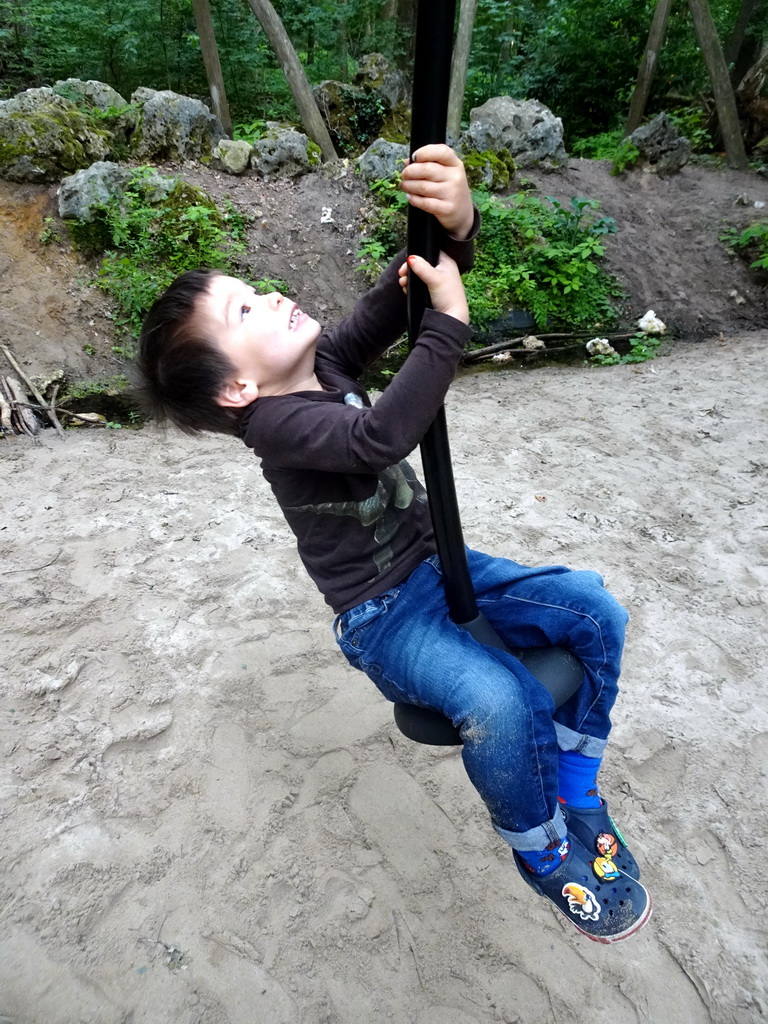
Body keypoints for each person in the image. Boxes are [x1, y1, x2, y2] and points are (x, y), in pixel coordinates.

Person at [136, 145, 651, 943]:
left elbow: (403, 289)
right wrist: (449, 325)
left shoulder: (325, 363)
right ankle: (542, 849)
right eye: (244, 311)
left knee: (592, 610)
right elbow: (378, 435)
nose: (270, 296)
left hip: (441, 564)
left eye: (255, 290)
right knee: (499, 702)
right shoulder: (275, 426)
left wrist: (453, 223)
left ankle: (579, 785)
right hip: (385, 616)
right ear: (236, 388)